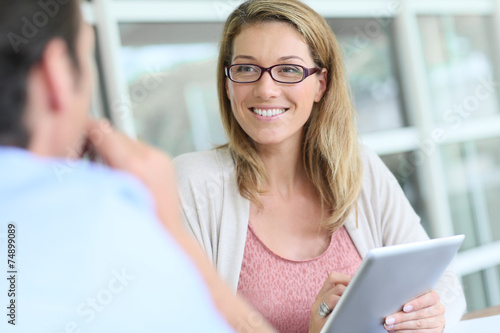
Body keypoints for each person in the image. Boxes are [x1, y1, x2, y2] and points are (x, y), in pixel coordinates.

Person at [174, 0, 466, 332]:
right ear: (227, 83)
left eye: (288, 70)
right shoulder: (192, 186)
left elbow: (445, 282)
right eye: (246, 69)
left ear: (321, 84)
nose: (265, 89)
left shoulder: (360, 167)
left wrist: (429, 313)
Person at [0, 1, 275, 332]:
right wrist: (168, 229)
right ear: (57, 71)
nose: (267, 89)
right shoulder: (109, 217)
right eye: (88, 57)